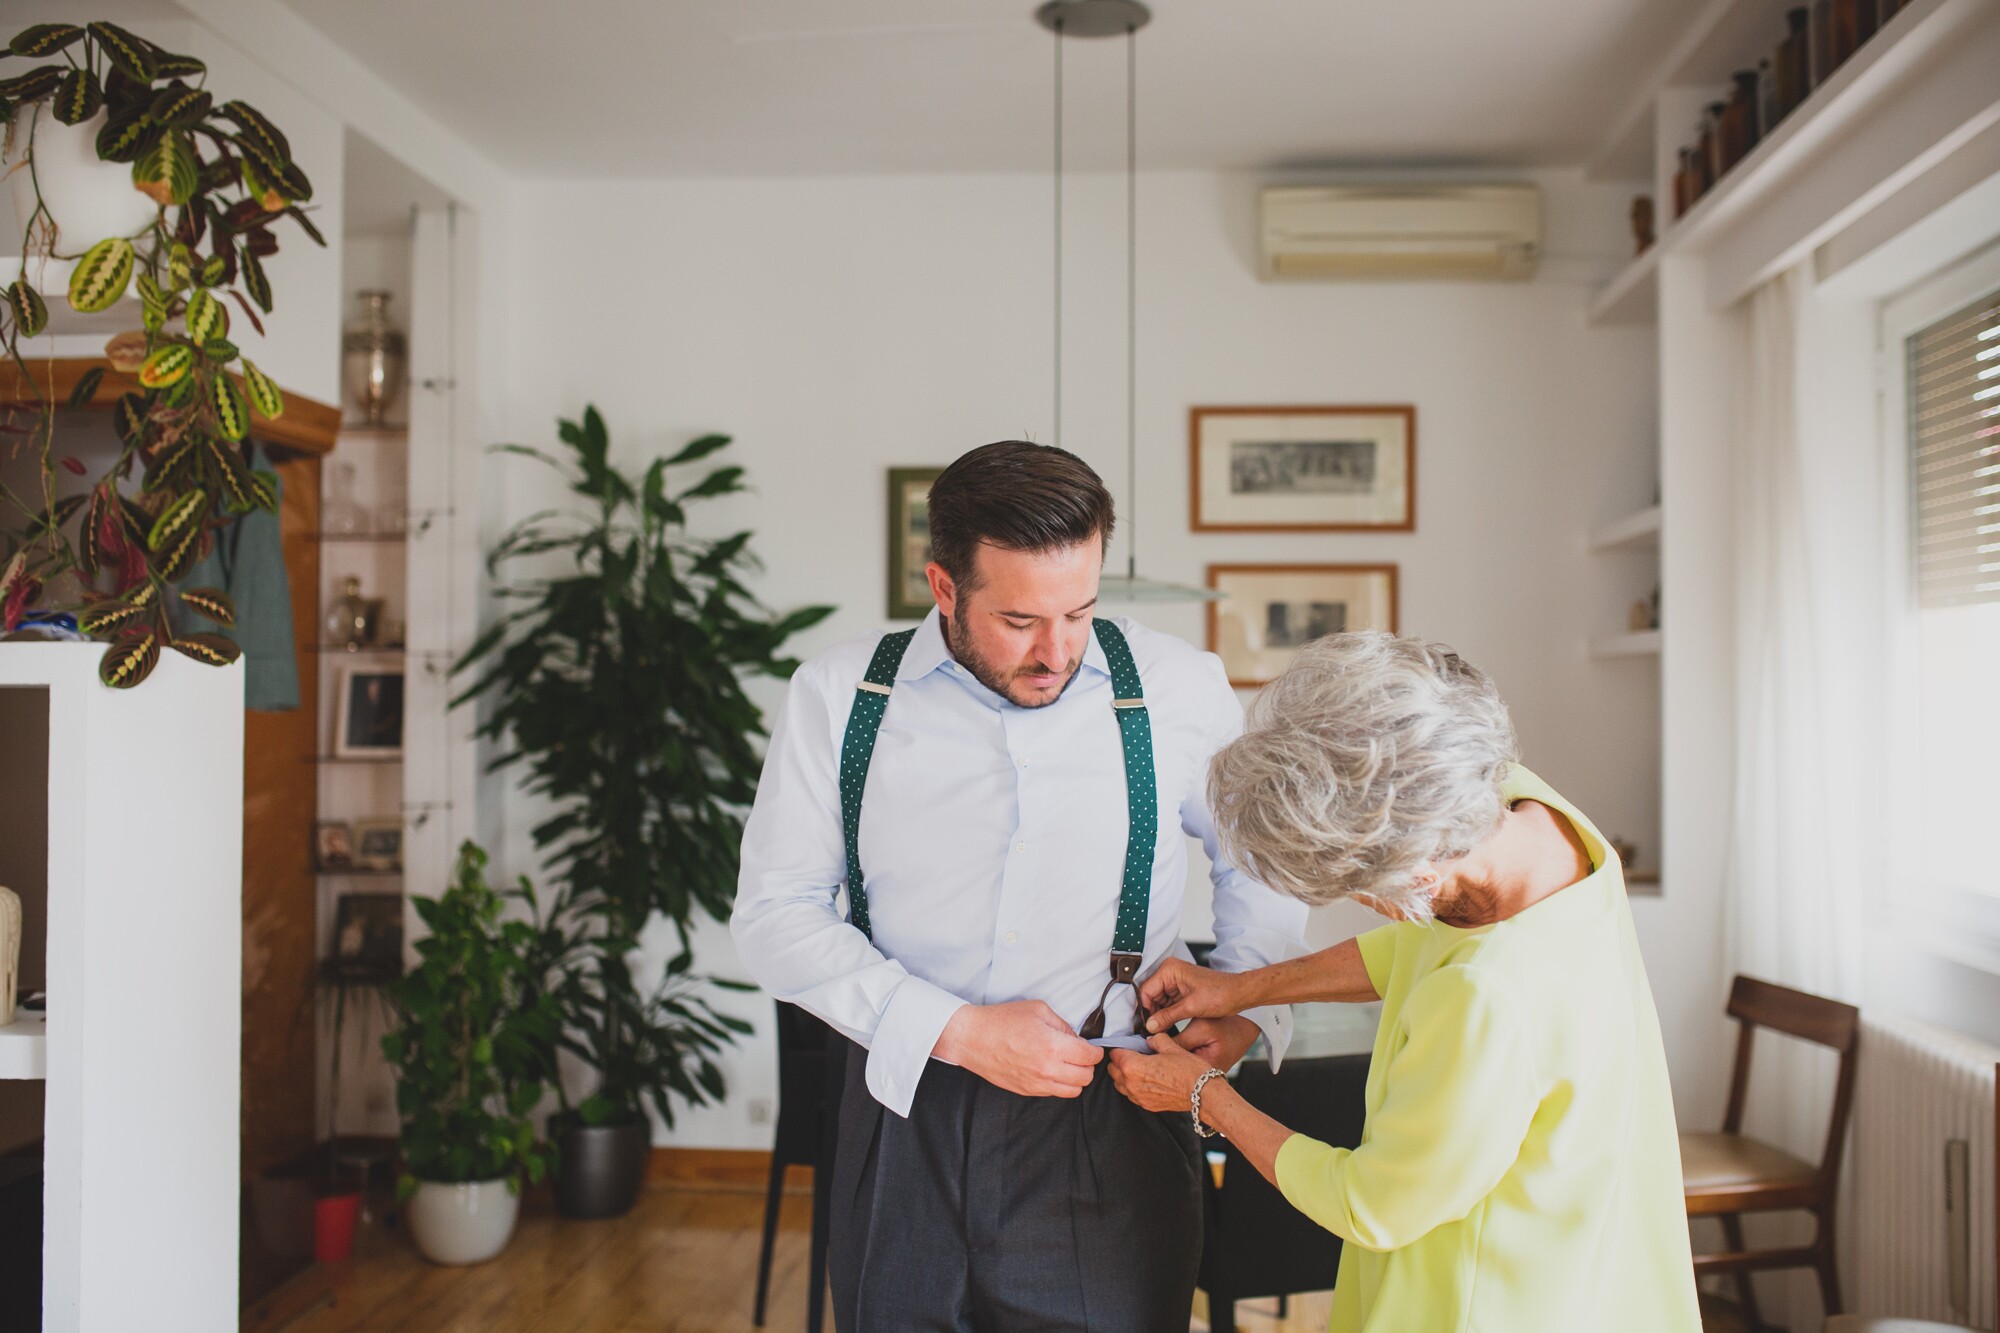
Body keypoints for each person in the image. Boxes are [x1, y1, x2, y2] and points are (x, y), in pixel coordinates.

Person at [731, 440, 1309, 1332]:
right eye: (1021, 620)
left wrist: (1245, 1001)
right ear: (944, 587)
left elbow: (1260, 857)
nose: (1057, 650)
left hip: (1113, 1115)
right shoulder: (841, 694)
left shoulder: (1173, 686)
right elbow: (774, 913)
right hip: (902, 1116)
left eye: (1079, 610)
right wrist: (956, 1030)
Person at [1107, 632, 1702, 1333]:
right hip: (1600, 1262)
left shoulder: (1489, 998)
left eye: (1356, 887)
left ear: (1419, 869)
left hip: (1484, 1303)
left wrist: (1209, 1097)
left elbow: (1371, 1204)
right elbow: (1413, 948)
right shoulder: (1528, 815)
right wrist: (1243, 989)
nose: (1359, 901)